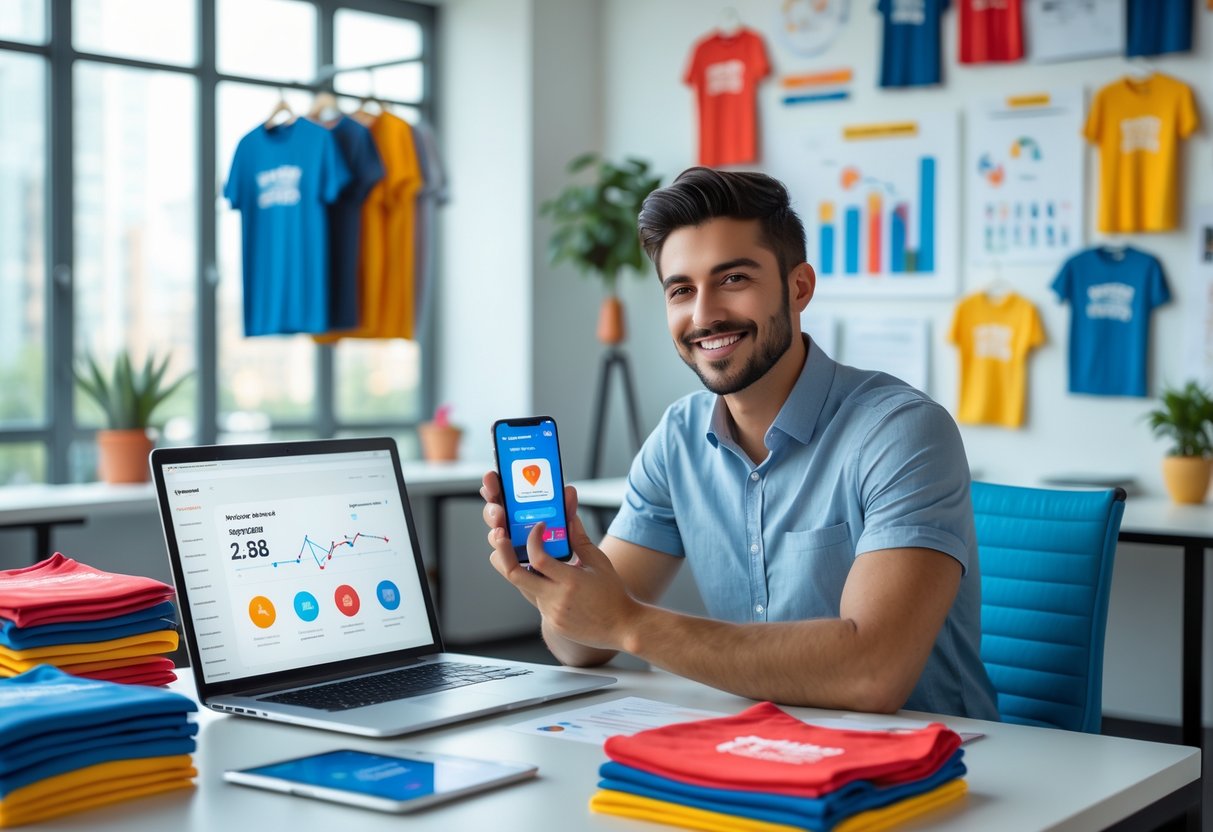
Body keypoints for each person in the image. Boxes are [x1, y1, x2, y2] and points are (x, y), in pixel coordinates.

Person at [480, 167, 999, 720]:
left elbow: (871, 674)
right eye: (681, 290)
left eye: (733, 280)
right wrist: (562, 586)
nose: (703, 316)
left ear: (798, 288)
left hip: (935, 762)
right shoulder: (678, 438)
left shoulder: (901, 431)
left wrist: (627, 622)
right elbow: (581, 646)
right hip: (760, 749)